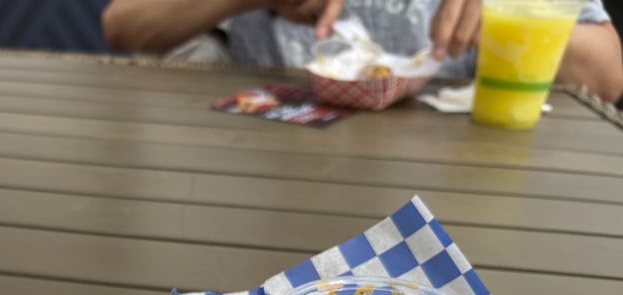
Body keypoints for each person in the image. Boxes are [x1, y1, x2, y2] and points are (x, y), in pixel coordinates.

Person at [102, 0, 623, 103]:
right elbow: (122, 25)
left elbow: (605, 75)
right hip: (258, 164)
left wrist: (514, 14)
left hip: (458, 173)